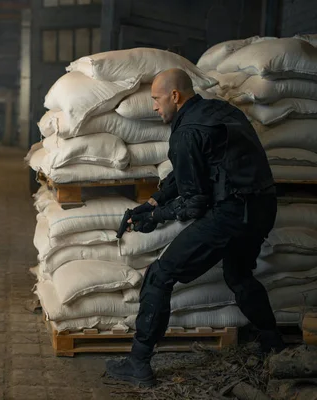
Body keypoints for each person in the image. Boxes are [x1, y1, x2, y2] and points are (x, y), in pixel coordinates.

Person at [106, 68, 285, 387]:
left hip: (230, 214)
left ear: (175, 96)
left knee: (160, 275)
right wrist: (154, 203)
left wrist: (155, 218)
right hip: (261, 209)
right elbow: (190, 171)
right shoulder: (221, 111)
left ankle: (138, 363)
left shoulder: (185, 132)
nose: (154, 107)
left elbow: (194, 203)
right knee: (239, 275)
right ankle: (273, 343)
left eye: (157, 99)